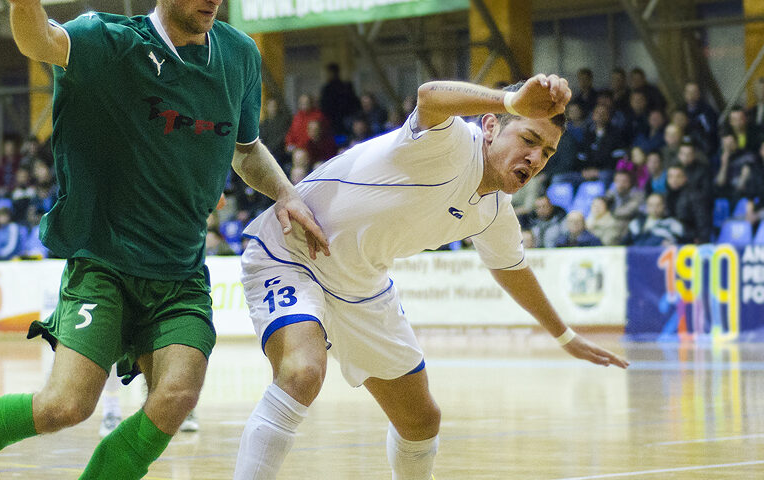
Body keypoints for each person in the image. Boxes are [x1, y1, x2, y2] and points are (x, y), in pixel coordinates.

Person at [0, 1, 326, 479]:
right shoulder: (111, 42)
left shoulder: (240, 54)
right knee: (64, 405)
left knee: (178, 396)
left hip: (181, 275)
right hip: (104, 265)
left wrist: (286, 192)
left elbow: (245, 150)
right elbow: (39, 41)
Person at [232, 75, 628, 480]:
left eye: (547, 151)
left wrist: (565, 336)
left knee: (421, 420)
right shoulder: (453, 143)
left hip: (362, 286)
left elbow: (513, 271)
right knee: (302, 372)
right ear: (491, 126)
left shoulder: (495, 212)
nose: (536, 158)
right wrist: (511, 100)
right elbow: (429, 95)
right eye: (529, 139)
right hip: (291, 251)